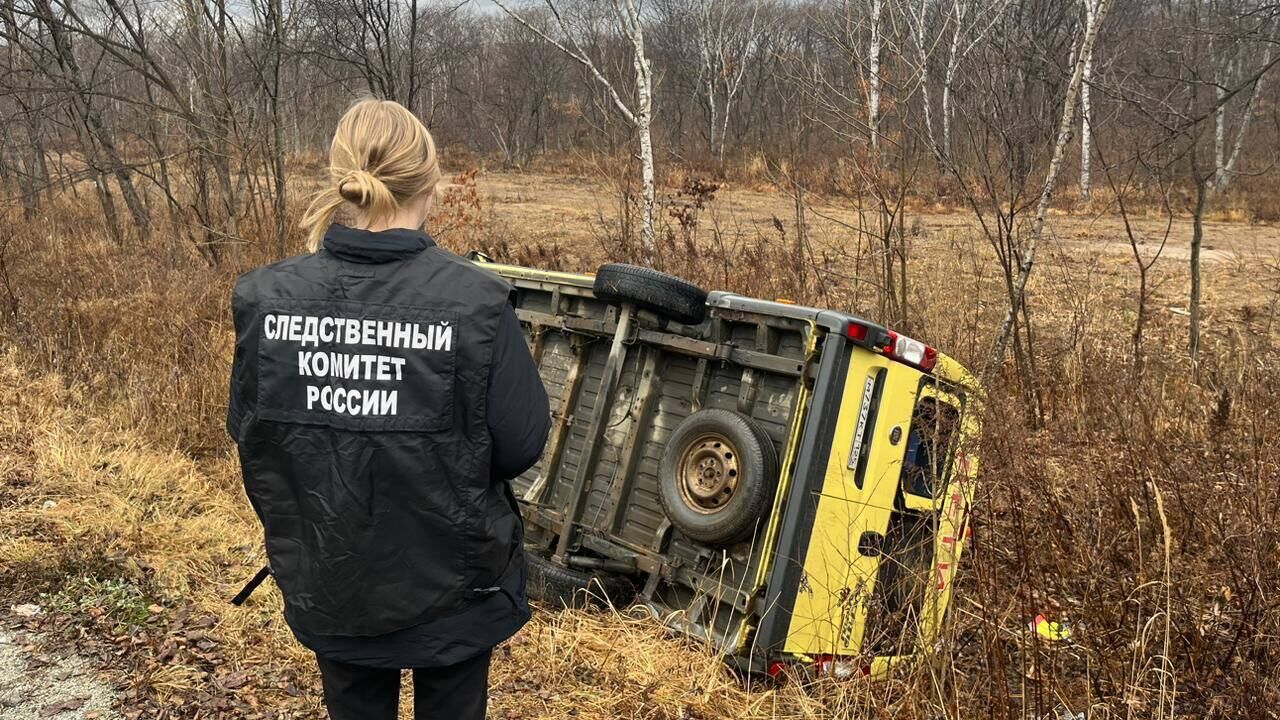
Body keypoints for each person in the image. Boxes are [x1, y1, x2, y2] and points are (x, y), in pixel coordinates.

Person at [225, 98, 551, 720]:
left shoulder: (266, 298)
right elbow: (521, 444)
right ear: (430, 182)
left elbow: (250, 431)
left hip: (331, 571)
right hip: (455, 583)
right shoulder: (475, 303)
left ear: (341, 178)